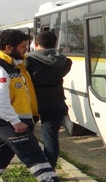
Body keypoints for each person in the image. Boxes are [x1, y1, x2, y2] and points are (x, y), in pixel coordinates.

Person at [0, 29, 80, 182]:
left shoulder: (12, 64)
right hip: (6, 119)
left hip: (9, 118)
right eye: (22, 47)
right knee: (34, 154)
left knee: (0, 154)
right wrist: (15, 121)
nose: (25, 50)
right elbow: (0, 100)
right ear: (8, 47)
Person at [25, 31, 72, 168]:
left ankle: (35, 166)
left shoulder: (29, 60)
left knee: (27, 136)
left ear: (36, 44)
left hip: (34, 102)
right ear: (55, 44)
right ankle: (50, 168)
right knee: (51, 138)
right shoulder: (65, 61)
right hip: (56, 101)